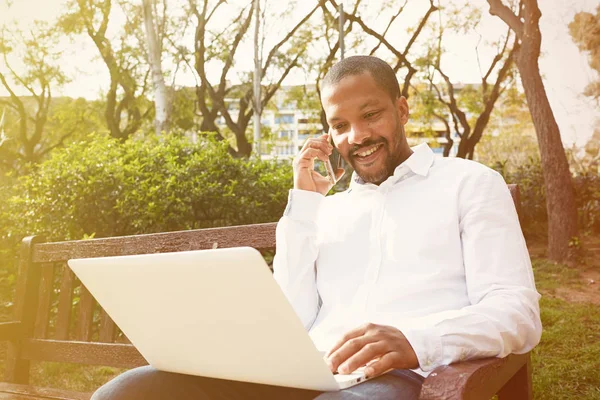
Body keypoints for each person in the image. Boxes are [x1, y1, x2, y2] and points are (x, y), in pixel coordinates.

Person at [91, 55, 542, 400]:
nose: (357, 136)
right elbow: (292, 314)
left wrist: (415, 342)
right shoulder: (328, 211)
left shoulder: (470, 184)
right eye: (340, 125)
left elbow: (517, 314)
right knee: (127, 392)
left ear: (402, 110)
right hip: (302, 373)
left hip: (399, 377)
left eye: (371, 115)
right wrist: (305, 203)